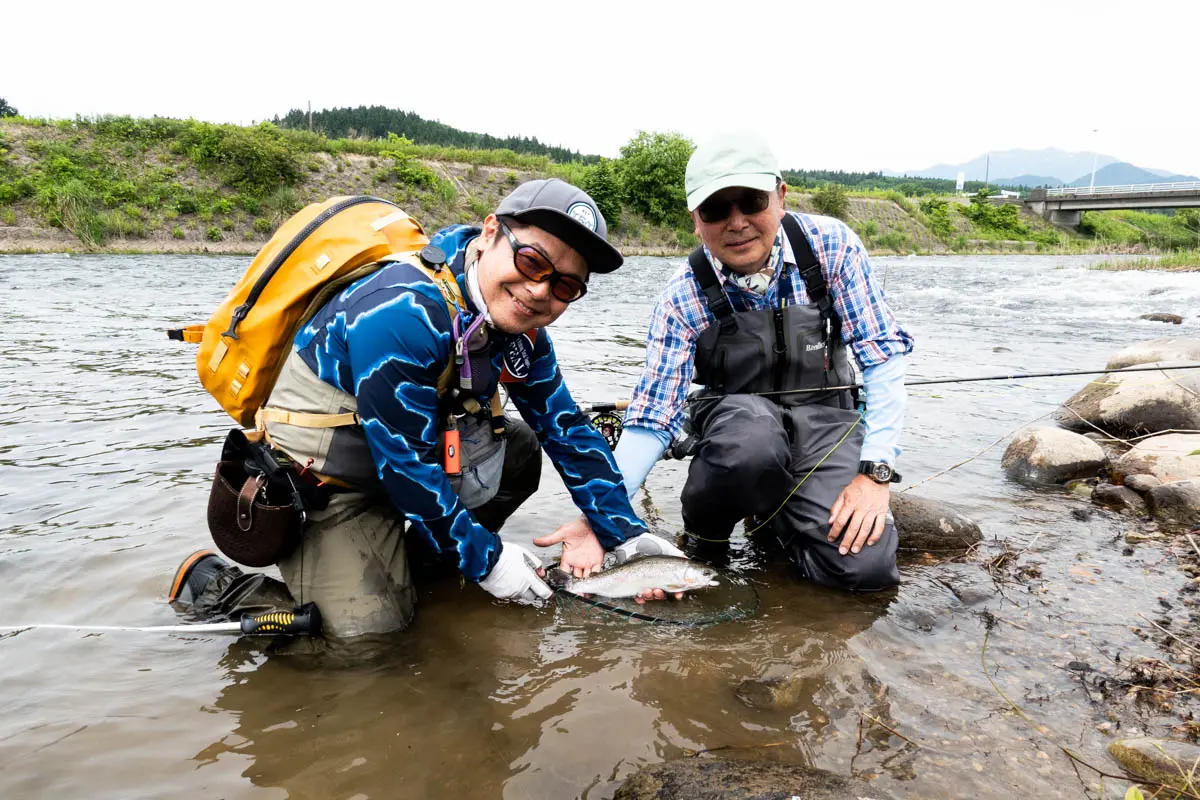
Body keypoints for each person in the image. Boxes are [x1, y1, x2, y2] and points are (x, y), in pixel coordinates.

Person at [169, 179, 680, 639]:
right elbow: (405, 468)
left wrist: (629, 536)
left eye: (565, 285)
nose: (540, 290)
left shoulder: (521, 329)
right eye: (531, 262)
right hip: (334, 486)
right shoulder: (401, 310)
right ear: (490, 233)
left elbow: (564, 427)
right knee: (365, 642)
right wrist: (491, 562)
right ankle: (217, 585)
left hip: (410, 460)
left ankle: (416, 568)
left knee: (520, 449)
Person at [614, 133, 914, 592]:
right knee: (751, 440)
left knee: (865, 572)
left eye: (751, 202)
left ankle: (782, 526)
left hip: (828, 425)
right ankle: (705, 539)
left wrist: (875, 473)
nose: (737, 223)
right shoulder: (682, 294)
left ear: (780, 197)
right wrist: (601, 516)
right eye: (716, 210)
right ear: (696, 220)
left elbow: (882, 360)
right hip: (735, 430)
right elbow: (654, 415)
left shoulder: (832, 247)